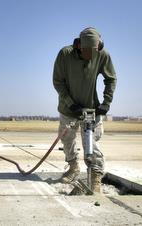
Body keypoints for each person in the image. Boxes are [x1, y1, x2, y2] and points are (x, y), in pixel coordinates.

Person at [53, 27, 117, 193]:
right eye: (85, 50)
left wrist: (106, 102)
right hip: (69, 109)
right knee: (67, 140)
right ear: (79, 46)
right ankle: (73, 168)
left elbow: (111, 79)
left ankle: (95, 175)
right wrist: (70, 103)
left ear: (99, 47)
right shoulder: (65, 54)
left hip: (91, 109)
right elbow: (58, 82)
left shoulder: (103, 55)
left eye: (93, 51)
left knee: (92, 142)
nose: (89, 55)